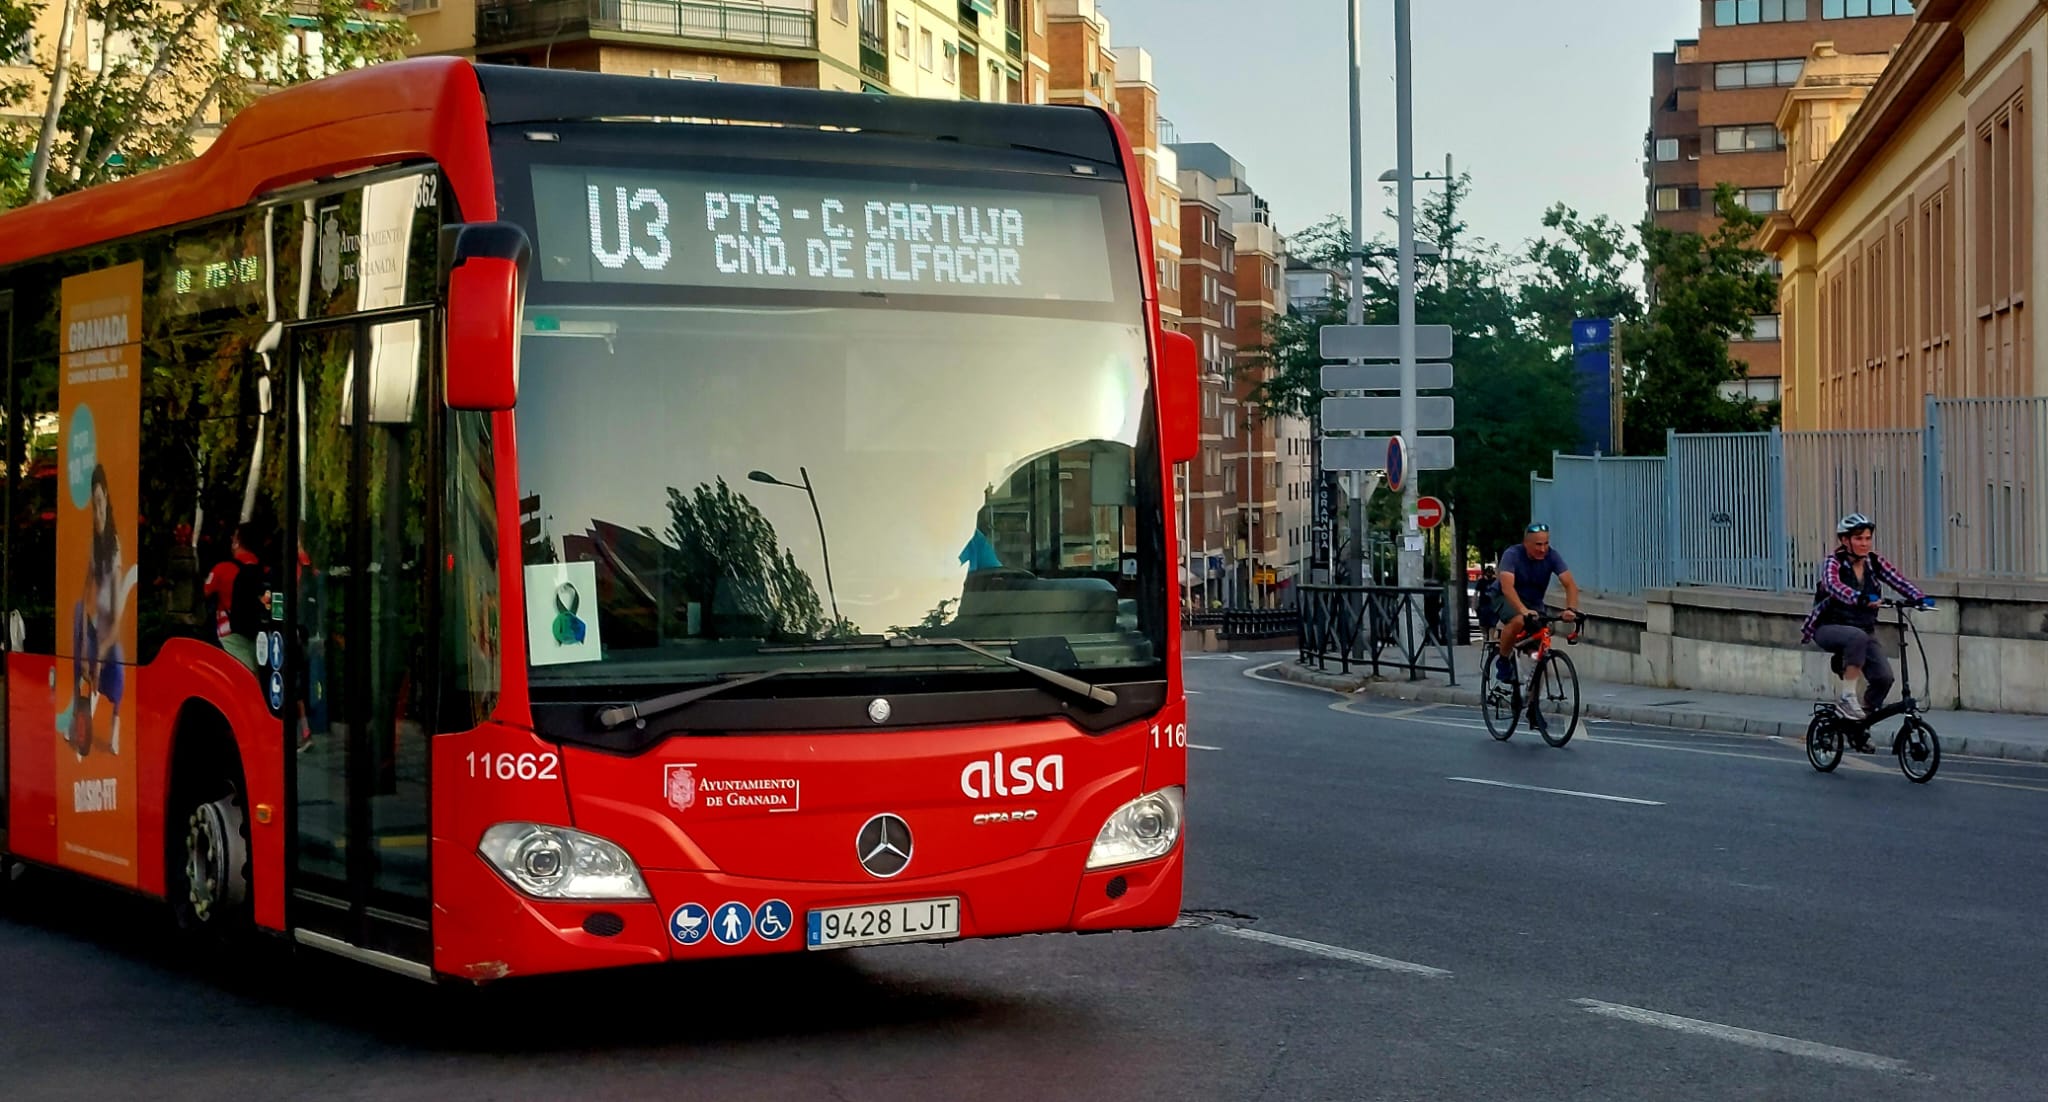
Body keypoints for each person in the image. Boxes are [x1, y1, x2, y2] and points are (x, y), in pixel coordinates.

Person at [1801, 513, 1933, 734]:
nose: (1864, 543)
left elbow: (1897, 579)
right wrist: (1859, 597)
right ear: (1845, 541)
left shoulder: (1873, 562)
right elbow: (1833, 586)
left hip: (1863, 630)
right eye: (1858, 539)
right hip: (1828, 628)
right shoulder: (1832, 563)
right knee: (1856, 637)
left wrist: (1918, 597)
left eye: (1867, 538)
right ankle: (1847, 697)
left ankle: (1861, 724)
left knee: (1884, 678)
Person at [1492, 523, 1580, 688]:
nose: (1543, 549)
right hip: (1506, 597)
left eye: (1546, 543)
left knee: (1537, 657)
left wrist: (1571, 609)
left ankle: (1533, 705)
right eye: (1538, 544)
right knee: (1518, 620)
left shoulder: (1552, 556)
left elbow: (1570, 585)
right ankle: (1503, 660)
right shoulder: (1512, 554)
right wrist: (1523, 610)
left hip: (1534, 603)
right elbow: (1507, 587)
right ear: (1526, 543)